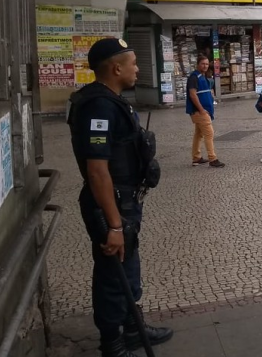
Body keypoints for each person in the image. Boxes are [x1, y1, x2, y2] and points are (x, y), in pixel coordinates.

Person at [67, 38, 173, 357]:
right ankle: (113, 344)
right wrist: (114, 224)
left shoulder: (113, 100)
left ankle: (132, 330)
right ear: (116, 68)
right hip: (111, 203)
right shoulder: (98, 106)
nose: (137, 68)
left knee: (127, 268)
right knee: (113, 274)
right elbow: (97, 170)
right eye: (133, 63)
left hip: (124, 201)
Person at [186, 55, 225, 168]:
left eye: (207, 64)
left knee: (198, 134)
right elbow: (193, 95)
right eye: (203, 63)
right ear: (198, 64)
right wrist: (201, 110)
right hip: (200, 112)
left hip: (203, 110)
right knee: (209, 133)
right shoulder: (194, 77)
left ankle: (196, 157)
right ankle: (213, 158)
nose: (205, 66)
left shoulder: (203, 76)